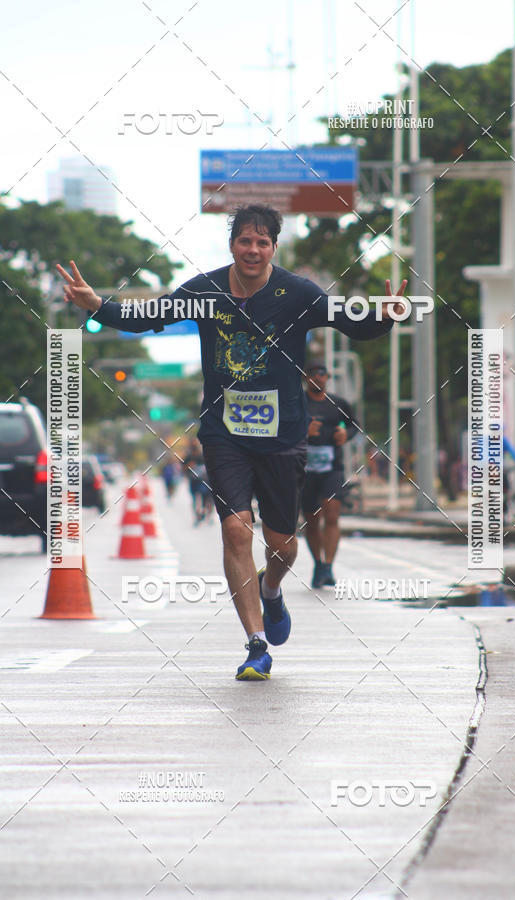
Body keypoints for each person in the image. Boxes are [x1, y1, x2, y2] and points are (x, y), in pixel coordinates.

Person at [57, 203, 406, 681]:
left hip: (283, 438)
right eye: (246, 240)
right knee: (237, 530)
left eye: (263, 242)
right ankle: (256, 645)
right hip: (225, 436)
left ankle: (272, 590)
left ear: (273, 248)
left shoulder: (297, 293)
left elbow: (351, 323)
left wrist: (385, 317)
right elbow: (149, 315)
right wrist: (98, 305)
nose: (254, 250)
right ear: (232, 245)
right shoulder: (205, 292)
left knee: (283, 549)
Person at [301, 361, 358, 589]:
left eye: (322, 375)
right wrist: (304, 433)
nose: (318, 378)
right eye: (313, 374)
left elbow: (354, 426)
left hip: (332, 469)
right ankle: (317, 563)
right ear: (306, 378)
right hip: (304, 471)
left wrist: (346, 433)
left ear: (328, 378)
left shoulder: (338, 404)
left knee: (332, 514)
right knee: (312, 521)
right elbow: (282, 429)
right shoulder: (297, 403)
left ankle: (328, 566)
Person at [183, 438, 214, 525]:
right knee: (195, 499)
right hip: (193, 481)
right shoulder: (188, 457)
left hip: (204, 481)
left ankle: (205, 513)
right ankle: (198, 515)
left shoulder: (203, 455)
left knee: (206, 498)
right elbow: (183, 468)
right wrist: (189, 467)